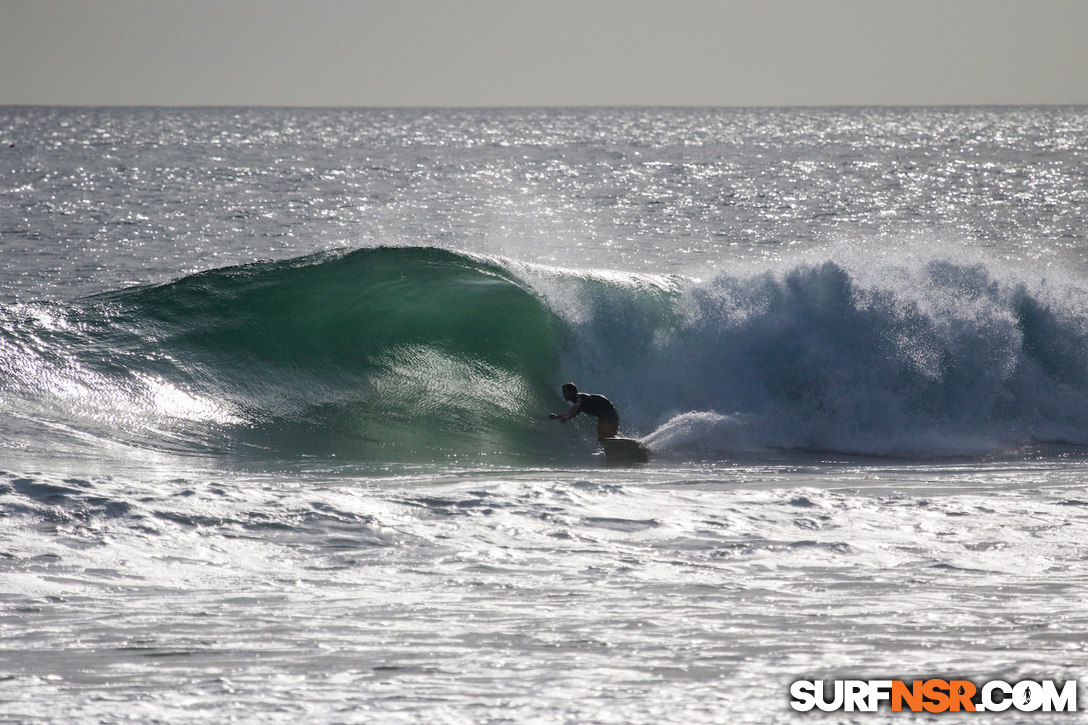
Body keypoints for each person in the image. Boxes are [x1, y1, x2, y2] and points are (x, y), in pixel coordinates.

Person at [549, 382, 619, 442]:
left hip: (609, 414)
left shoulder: (579, 398)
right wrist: (557, 416)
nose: (563, 395)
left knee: (605, 437)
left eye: (565, 392)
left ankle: (617, 448)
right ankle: (614, 451)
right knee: (603, 438)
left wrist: (567, 415)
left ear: (572, 392)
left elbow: (577, 405)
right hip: (607, 415)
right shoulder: (580, 403)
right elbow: (571, 415)